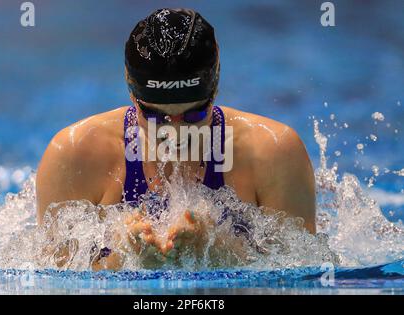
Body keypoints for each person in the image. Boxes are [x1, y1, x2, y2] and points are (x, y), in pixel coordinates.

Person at [36, 8, 316, 270]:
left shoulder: (273, 152)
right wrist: (122, 260)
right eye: (155, 116)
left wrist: (220, 252)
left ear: (216, 85)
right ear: (131, 92)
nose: (175, 131)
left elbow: (304, 272)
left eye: (194, 114)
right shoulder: (75, 154)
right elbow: (50, 279)